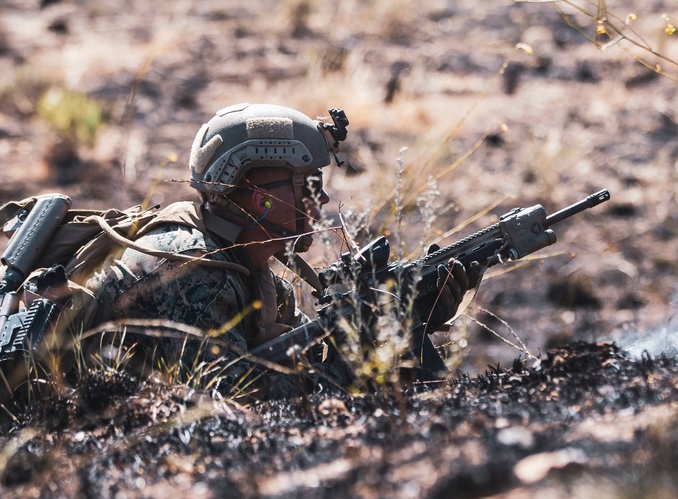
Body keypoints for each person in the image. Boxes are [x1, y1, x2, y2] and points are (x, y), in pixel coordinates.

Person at [80, 102, 479, 399]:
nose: (321, 198)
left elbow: (310, 362)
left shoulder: (260, 280)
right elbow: (230, 403)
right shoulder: (187, 268)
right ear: (259, 199)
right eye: (308, 184)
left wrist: (409, 323)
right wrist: (353, 363)